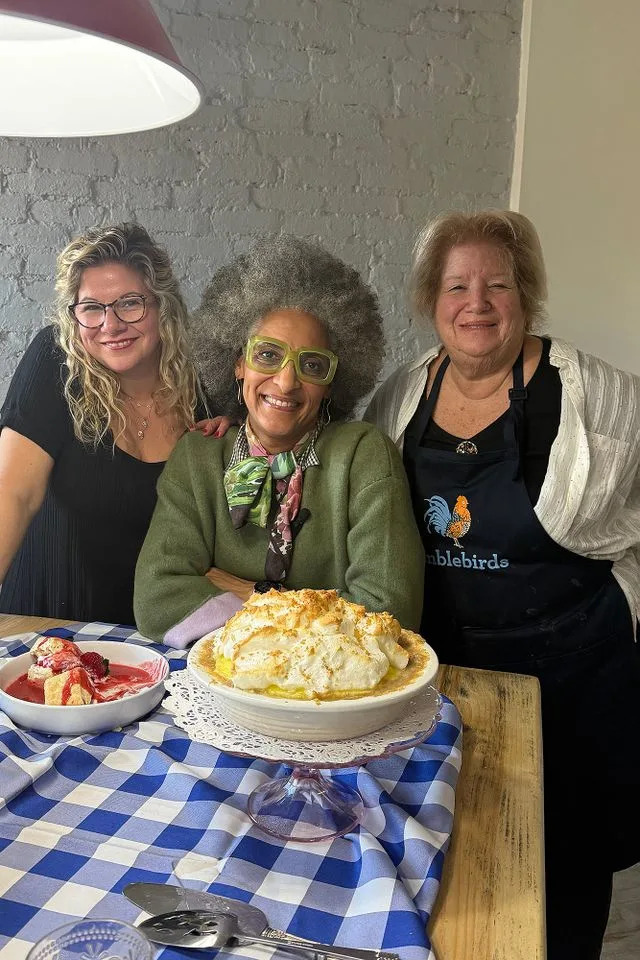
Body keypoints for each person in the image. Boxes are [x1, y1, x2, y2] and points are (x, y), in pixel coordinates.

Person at [365, 209, 640, 960]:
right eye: (457, 285)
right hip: (445, 673)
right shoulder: (400, 397)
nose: (476, 302)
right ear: (432, 298)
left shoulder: (599, 398)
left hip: (576, 675)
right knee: (454, 850)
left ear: (526, 295)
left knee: (568, 866)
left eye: (497, 283)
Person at [134, 235, 424, 646]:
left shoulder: (363, 455)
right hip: (223, 683)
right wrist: (314, 613)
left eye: (312, 364)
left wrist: (249, 594)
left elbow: (389, 611)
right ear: (238, 363)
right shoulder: (199, 454)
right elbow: (155, 598)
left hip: (332, 696)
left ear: (331, 383)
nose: (286, 381)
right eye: (267, 355)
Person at [0, 222, 213, 626]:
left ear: (161, 305)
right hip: (44, 628)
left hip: (149, 637)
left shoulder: (199, 394)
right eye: (91, 308)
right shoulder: (55, 362)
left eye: (130, 303)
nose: (110, 325)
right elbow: (13, 494)